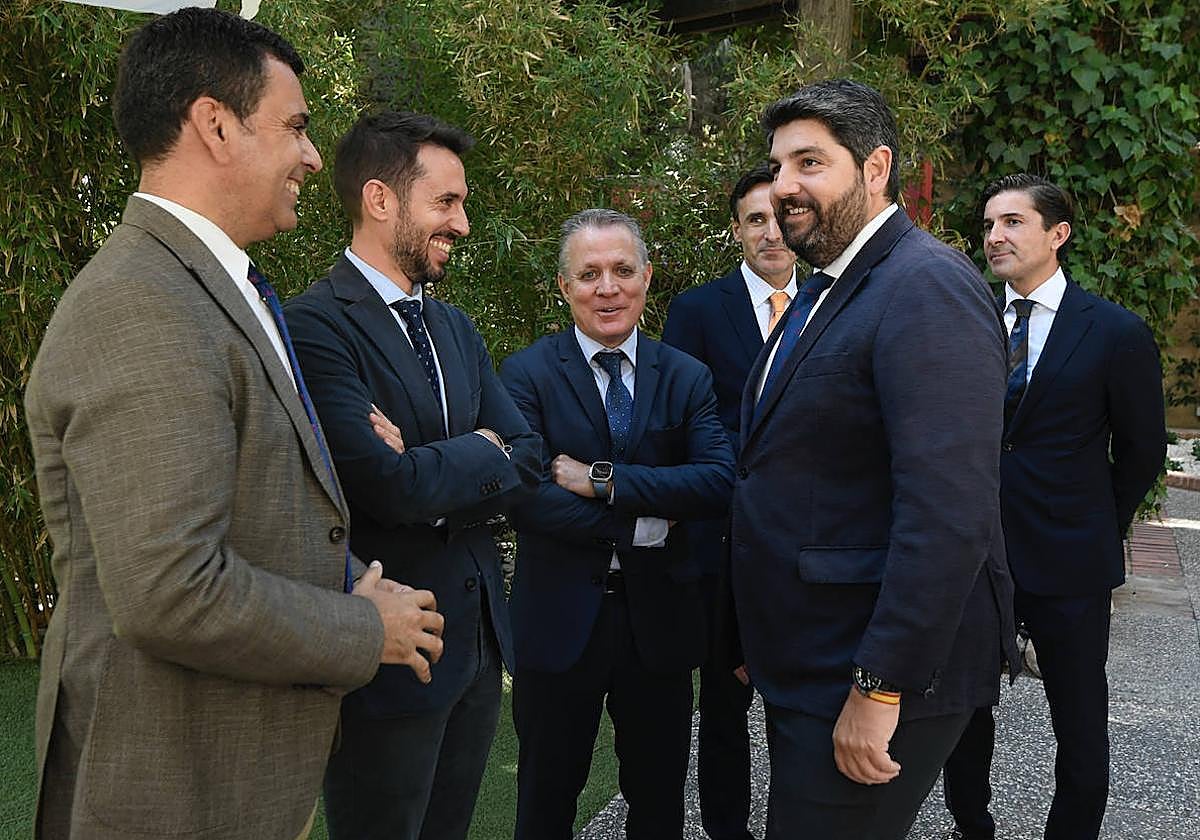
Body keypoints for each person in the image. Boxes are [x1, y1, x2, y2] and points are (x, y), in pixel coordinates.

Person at [24, 10, 446, 840]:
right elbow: (172, 591)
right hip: (172, 793)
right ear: (215, 124)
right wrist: (363, 627)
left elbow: (261, 502)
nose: (313, 156)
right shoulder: (141, 305)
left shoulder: (208, 287)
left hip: (231, 778)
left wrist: (346, 574)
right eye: (295, 126)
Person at [729, 78, 1021, 840]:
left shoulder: (924, 287)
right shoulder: (832, 285)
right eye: (778, 166)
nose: (783, 185)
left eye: (809, 163)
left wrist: (879, 686)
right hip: (812, 657)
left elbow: (948, 510)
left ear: (876, 168)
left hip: (872, 673)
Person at [283, 110, 541, 840]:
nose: (462, 223)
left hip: (478, 642)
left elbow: (525, 454)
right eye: (447, 202)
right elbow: (379, 484)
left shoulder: (454, 328)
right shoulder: (313, 325)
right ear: (380, 199)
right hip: (389, 652)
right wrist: (478, 450)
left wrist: (430, 462)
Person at [941, 173, 1166, 840]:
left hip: (1070, 561)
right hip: (974, 556)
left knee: (1080, 720)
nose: (995, 237)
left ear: (1057, 234)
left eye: (1012, 222)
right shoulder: (963, 317)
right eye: (988, 225)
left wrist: (1098, 525)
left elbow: (1142, 450)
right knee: (963, 714)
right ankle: (970, 825)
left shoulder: (1115, 332)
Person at [499, 209, 735, 840]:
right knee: (545, 801)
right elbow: (524, 496)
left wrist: (602, 479)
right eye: (590, 273)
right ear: (564, 286)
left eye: (622, 270)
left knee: (658, 803)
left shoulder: (686, 376)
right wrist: (646, 522)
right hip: (558, 625)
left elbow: (716, 481)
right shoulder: (526, 375)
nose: (608, 288)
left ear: (647, 278)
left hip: (657, 625)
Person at [661, 163, 797, 840]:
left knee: (799, 704)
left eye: (781, 217)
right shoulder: (696, 311)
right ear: (737, 230)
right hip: (722, 540)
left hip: (805, 546)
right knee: (723, 703)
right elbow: (687, 421)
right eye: (755, 220)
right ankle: (727, 829)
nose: (771, 233)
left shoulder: (832, 302)